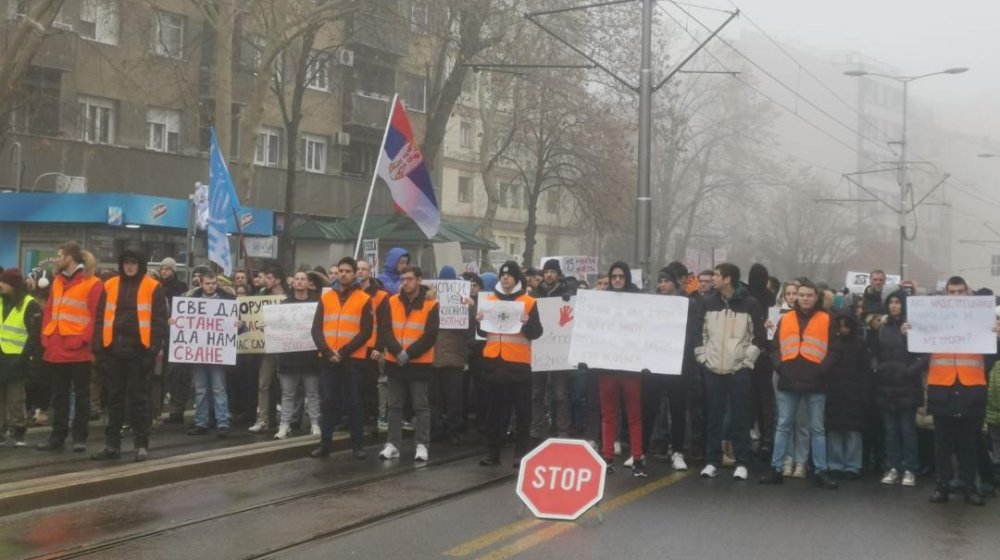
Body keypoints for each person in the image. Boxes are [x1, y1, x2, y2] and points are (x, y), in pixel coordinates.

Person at [90, 248, 168, 461]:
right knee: (114, 401)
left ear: (140, 265)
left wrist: (151, 351)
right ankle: (112, 445)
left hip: (138, 354)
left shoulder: (153, 287)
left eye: (133, 262)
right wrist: (99, 350)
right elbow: (100, 320)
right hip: (113, 352)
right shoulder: (109, 285)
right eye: (126, 263)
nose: (130, 266)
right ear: (122, 265)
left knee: (138, 401)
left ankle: (141, 445)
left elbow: (159, 323)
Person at [760, 279, 838, 489]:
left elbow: (835, 350)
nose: (804, 298)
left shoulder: (827, 318)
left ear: (816, 297)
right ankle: (776, 468)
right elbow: (775, 347)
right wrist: (780, 367)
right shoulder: (785, 319)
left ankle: (821, 471)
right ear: (794, 297)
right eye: (801, 295)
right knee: (783, 426)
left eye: (808, 295)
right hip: (789, 378)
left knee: (817, 429)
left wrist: (821, 370)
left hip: (817, 381)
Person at [696, 263, 764, 481]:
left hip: (738, 370)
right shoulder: (707, 303)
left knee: (740, 417)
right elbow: (699, 333)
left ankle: (742, 461)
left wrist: (746, 362)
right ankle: (712, 461)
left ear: (727, 279)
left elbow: (758, 336)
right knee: (714, 417)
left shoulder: (750, 304)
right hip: (713, 368)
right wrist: (703, 358)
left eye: (716, 275)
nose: (712, 278)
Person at [925, 276, 988, 506]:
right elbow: (917, 350)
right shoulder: (931, 319)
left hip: (971, 386)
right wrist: (908, 332)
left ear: (967, 293)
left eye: (960, 292)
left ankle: (970, 486)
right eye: (952, 292)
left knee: (969, 442)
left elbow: (992, 353)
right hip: (942, 385)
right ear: (946, 294)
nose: (956, 296)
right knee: (942, 441)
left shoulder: (982, 319)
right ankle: (942, 485)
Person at [38, 242, 104, 452]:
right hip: (57, 346)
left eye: (60, 255)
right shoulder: (57, 281)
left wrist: (83, 340)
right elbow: (50, 311)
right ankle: (57, 437)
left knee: (81, 395)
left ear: (70, 258)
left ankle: (79, 437)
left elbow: (96, 317)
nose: (57, 259)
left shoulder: (93, 283)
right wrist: (45, 335)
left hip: (77, 349)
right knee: (59, 396)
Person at [477, 261, 542, 468]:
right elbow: (482, 332)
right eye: (502, 275)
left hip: (518, 365)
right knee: (494, 412)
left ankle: (520, 454)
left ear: (516, 279)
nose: (505, 278)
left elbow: (536, 332)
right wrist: (477, 320)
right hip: (494, 363)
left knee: (522, 411)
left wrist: (527, 322)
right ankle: (493, 453)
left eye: (509, 275)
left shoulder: (528, 302)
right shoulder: (489, 300)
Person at [310, 258, 373, 459]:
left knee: (354, 402)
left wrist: (343, 352)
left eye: (347, 271)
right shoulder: (326, 297)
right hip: (328, 359)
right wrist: (328, 352)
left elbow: (366, 331)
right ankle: (325, 444)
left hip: (352, 359)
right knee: (328, 402)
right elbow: (316, 328)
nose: (343, 274)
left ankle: (357, 446)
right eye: (340, 271)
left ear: (355, 274)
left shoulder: (363, 299)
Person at [378, 265, 439, 462]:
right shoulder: (393, 301)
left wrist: (409, 353)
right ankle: (393, 444)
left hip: (418, 362)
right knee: (394, 405)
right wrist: (397, 351)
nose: (405, 282)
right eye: (403, 279)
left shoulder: (431, 304)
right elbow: (385, 328)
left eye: (409, 278)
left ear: (419, 280)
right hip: (395, 360)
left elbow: (430, 335)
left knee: (420, 406)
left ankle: (422, 444)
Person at [595, 262, 648, 477]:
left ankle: (637, 458)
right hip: (608, 368)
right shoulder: (601, 301)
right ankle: (607, 458)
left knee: (634, 416)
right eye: (614, 276)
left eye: (621, 277)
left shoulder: (638, 300)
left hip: (630, 369)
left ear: (627, 278)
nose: (617, 280)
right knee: (608, 415)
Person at [872, 284, 923, 487]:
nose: (894, 306)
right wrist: (876, 368)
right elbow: (874, 352)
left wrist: (909, 371)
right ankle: (893, 467)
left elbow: (924, 355)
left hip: (906, 386)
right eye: (891, 302)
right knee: (890, 430)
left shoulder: (912, 326)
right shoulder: (883, 327)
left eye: (897, 302)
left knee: (907, 430)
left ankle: (910, 468)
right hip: (886, 385)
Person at [180, 269, 235, 439]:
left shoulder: (228, 301)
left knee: (218, 388)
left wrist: (239, 326)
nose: (211, 287)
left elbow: (236, 327)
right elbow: (183, 323)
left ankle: (223, 423)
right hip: (198, 352)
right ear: (201, 283)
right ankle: (201, 422)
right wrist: (174, 322)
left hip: (217, 353)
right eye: (207, 284)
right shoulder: (191, 300)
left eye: (213, 284)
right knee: (201, 389)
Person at [430, 266, 474, 445]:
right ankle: (448, 431)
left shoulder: (459, 305)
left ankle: (440, 430)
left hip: (441, 358)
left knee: (440, 399)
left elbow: (470, 331)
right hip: (450, 358)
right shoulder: (432, 304)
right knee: (448, 399)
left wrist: (469, 309)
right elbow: (470, 333)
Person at [530, 259, 572, 442]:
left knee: (560, 393)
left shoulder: (567, 294)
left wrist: (570, 298)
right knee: (537, 392)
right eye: (546, 271)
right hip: (539, 351)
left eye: (552, 272)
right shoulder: (535, 295)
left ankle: (562, 428)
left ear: (558, 275)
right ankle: (538, 426)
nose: (548, 275)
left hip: (559, 352)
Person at [275, 271, 321, 439]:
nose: (300, 282)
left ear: (309, 283)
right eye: (297, 279)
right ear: (292, 283)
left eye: (303, 279)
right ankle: (284, 425)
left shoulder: (317, 304)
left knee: (313, 393)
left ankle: (315, 424)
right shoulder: (283, 305)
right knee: (287, 394)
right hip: (289, 358)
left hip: (311, 357)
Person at [826, 313, 872, 479]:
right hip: (835, 391)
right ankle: (836, 464)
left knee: (853, 431)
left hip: (855, 393)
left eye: (846, 326)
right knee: (835, 430)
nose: (843, 329)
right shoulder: (833, 345)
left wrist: (864, 394)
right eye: (841, 326)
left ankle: (852, 465)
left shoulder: (860, 345)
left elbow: (866, 372)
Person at [0, 269, 43, 447]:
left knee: (15, 398)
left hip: (17, 357)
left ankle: (18, 430)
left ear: (14, 285)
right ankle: (1, 430)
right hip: (2, 356)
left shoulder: (29, 304)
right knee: (1, 398)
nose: (1, 285)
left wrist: (26, 355)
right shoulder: (2, 302)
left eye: (4, 282)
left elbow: (34, 335)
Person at [249, 265, 286, 433]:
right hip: (268, 346)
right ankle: (262, 419)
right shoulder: (262, 296)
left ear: (278, 280)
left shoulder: (288, 297)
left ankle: (286, 420)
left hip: (285, 345)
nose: (266, 281)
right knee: (263, 383)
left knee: (287, 386)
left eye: (270, 278)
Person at [160, 257, 192, 425]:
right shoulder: (157, 287)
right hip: (163, 336)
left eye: (167, 269)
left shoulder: (181, 288)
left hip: (178, 338)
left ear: (173, 270)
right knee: (165, 375)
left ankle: (177, 409)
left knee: (177, 375)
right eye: (162, 269)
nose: (164, 272)